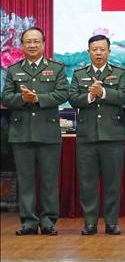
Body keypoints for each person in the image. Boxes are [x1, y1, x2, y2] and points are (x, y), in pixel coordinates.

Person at [2, 27, 69, 236]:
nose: (32, 45)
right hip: (21, 133)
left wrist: (38, 98)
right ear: (22, 45)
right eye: (28, 42)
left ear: (43, 44)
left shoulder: (56, 68)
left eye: (36, 41)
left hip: (48, 132)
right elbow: (6, 97)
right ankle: (29, 222)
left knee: (49, 180)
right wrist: (22, 98)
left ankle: (48, 221)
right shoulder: (14, 70)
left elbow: (63, 94)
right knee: (26, 180)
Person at [69, 34, 125, 235]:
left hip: (113, 136)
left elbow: (124, 96)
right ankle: (90, 223)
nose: (98, 53)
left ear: (109, 52)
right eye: (94, 49)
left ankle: (111, 222)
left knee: (113, 182)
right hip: (87, 136)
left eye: (102, 49)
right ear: (88, 52)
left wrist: (103, 93)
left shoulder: (119, 73)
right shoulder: (79, 74)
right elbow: (72, 98)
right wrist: (90, 95)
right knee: (88, 183)